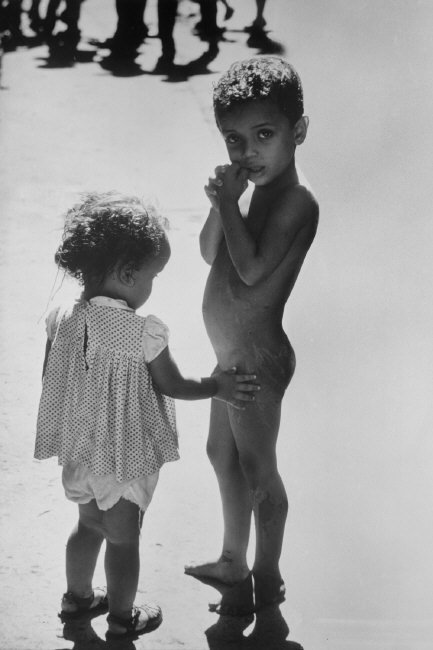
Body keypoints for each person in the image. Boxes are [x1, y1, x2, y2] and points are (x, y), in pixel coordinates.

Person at [34, 192, 260, 639]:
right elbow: (172, 384)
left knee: (86, 526)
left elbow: (51, 379)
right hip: (122, 457)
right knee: (122, 539)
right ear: (127, 273)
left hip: (80, 452)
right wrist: (219, 387)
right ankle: (122, 619)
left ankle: (77, 597)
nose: (152, 286)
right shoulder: (142, 330)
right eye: (153, 276)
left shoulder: (61, 318)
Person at [184, 57, 319, 615]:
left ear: (299, 132)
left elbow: (251, 269)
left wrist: (225, 202)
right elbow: (210, 251)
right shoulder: (251, 193)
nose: (248, 153)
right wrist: (225, 203)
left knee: (260, 468)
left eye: (265, 135)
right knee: (221, 453)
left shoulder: (296, 201)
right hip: (230, 355)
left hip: (258, 359)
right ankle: (233, 559)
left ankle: (268, 573)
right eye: (234, 139)